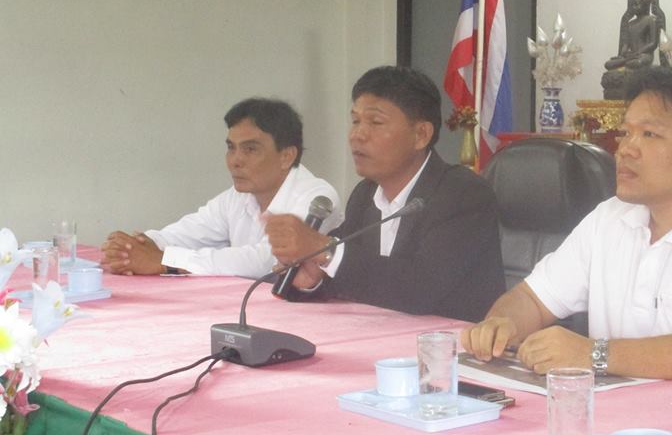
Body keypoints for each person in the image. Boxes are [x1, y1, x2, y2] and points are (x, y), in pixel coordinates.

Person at [461, 65, 672, 381]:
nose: (625, 150)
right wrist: (502, 324)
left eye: (649, 134)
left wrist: (594, 354)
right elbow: (532, 299)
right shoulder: (609, 218)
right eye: (625, 133)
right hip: (620, 412)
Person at [265, 66, 504, 322]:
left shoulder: (463, 194)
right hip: (383, 337)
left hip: (453, 342)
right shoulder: (365, 195)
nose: (357, 135)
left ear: (421, 135)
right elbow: (355, 278)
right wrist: (313, 279)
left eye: (376, 122)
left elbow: (420, 289)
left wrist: (325, 251)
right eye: (355, 121)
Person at [101, 98, 340, 278]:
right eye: (231, 148)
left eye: (250, 149)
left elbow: (267, 261)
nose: (235, 160)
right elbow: (187, 232)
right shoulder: (238, 197)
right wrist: (135, 246)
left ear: (286, 156)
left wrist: (165, 260)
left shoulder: (317, 198)